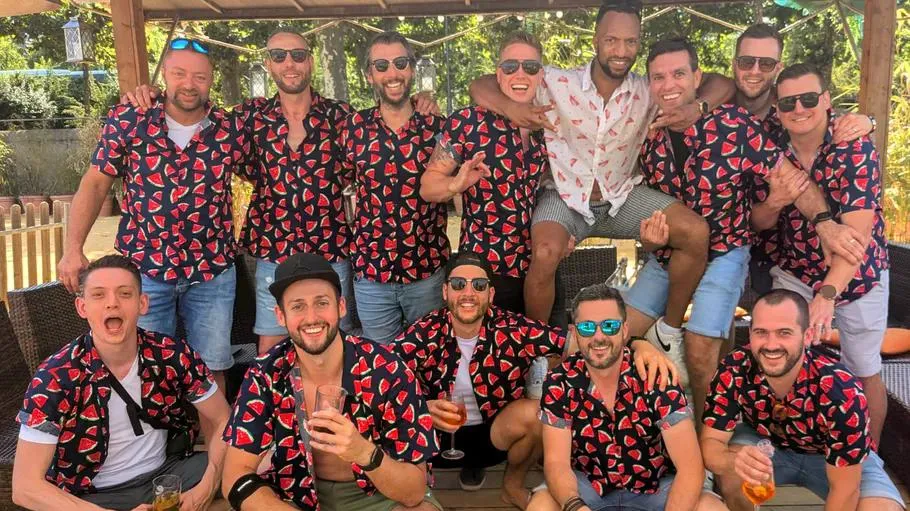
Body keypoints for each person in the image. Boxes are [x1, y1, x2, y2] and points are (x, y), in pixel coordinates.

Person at [470, 0, 732, 339]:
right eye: (611, 40)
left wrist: (698, 107)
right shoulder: (556, 82)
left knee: (696, 233)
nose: (621, 50)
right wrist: (510, 108)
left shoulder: (648, 88)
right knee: (545, 252)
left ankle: (669, 328)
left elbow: (723, 83)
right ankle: (537, 346)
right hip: (566, 196)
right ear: (595, 39)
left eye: (631, 42)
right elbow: (480, 84)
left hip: (622, 196)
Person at [391, 253, 677, 509]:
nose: (468, 293)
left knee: (537, 413)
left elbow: (580, 341)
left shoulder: (512, 327)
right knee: (404, 418)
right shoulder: (424, 332)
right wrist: (421, 409)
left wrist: (639, 344)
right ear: (445, 291)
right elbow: (382, 374)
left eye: (478, 286)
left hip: (494, 434)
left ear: (490, 294)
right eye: (458, 285)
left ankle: (511, 487)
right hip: (437, 438)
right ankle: (421, 493)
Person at [57, 39, 248, 390]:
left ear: (211, 81)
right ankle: (153, 444)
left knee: (212, 366)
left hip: (211, 271)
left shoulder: (229, 129)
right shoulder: (131, 119)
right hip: (145, 270)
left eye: (200, 77)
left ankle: (213, 443)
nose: (189, 84)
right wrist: (73, 248)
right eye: (179, 74)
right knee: (140, 367)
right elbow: (95, 183)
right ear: (164, 77)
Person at [623, 37, 788, 417]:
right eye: (659, 77)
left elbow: (789, 177)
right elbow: (651, 206)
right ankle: (648, 424)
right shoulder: (649, 135)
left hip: (727, 248)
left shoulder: (732, 123)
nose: (669, 84)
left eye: (679, 73)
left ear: (697, 76)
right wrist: (648, 243)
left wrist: (827, 225)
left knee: (700, 348)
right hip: (671, 255)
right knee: (619, 332)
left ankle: (706, 444)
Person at [221, 252, 441, 511]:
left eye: (322, 303)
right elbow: (234, 476)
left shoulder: (388, 368)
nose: (312, 317)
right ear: (281, 316)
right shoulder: (266, 373)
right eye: (298, 306)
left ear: (341, 307)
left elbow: (414, 491)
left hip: (379, 495)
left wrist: (363, 452)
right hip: (296, 494)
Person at [13, 255, 230, 511]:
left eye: (125, 294)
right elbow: (25, 487)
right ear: (82, 307)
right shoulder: (55, 377)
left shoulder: (172, 354)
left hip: (168, 476)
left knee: (258, 467)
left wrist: (207, 485)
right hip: (93, 496)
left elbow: (223, 420)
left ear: (142, 303)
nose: (112, 304)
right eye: (98, 295)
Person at [751, 63, 891, 447]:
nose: (799, 108)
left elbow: (854, 239)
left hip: (858, 276)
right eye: (788, 102)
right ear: (777, 109)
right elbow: (758, 222)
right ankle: (798, 445)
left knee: (864, 369)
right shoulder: (769, 143)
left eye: (809, 99)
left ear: (826, 100)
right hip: (794, 269)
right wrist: (775, 202)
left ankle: (869, 457)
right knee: (785, 361)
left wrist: (826, 295)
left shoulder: (854, 145)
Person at [700, 289, 903, 511]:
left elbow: (846, 490)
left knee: (881, 508)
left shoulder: (841, 390)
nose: (771, 344)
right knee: (732, 475)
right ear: (749, 333)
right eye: (761, 332)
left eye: (784, 333)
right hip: (766, 445)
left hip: (834, 459)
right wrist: (732, 461)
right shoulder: (734, 367)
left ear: (807, 336)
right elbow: (711, 445)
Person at [529, 284, 726, 511]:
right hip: (589, 485)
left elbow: (690, 467)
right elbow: (556, 463)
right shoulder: (559, 381)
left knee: (711, 507)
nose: (599, 337)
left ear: (624, 331)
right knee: (541, 505)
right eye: (587, 327)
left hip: (655, 487)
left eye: (610, 326)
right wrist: (575, 506)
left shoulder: (656, 376)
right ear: (575, 333)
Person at [730, 23, 874, 295]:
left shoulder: (792, 121)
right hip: (762, 257)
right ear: (735, 63)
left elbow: (822, 115)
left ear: (777, 66)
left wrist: (870, 121)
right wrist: (775, 201)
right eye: (747, 61)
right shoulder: (720, 108)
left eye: (766, 63)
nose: (755, 70)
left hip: (845, 276)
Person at [420, 31, 550, 314]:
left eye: (530, 67)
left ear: (541, 74)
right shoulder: (467, 122)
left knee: (546, 350)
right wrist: (457, 184)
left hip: (539, 267)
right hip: (484, 267)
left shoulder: (549, 122)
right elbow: (428, 187)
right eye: (510, 66)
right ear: (498, 74)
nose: (520, 74)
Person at [339, 31, 448, 344]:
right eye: (382, 65)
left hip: (426, 271)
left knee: (430, 357)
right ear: (369, 74)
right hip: (372, 273)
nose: (392, 73)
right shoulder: (353, 128)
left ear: (411, 69)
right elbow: (341, 183)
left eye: (400, 63)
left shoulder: (437, 128)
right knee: (381, 365)